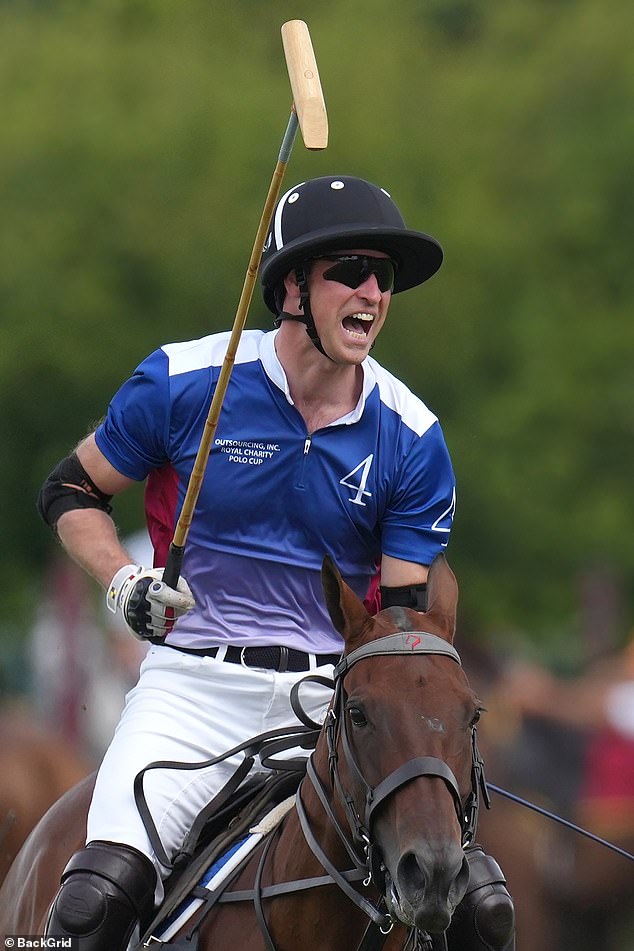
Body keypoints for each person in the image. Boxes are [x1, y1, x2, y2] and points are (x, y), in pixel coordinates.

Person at [37, 175, 515, 950]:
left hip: (334, 700)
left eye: (383, 276)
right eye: (351, 270)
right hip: (191, 692)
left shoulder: (412, 437)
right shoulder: (185, 381)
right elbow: (70, 488)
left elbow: (400, 625)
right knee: (96, 901)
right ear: (293, 286)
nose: (372, 291)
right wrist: (123, 582)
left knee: (479, 907)